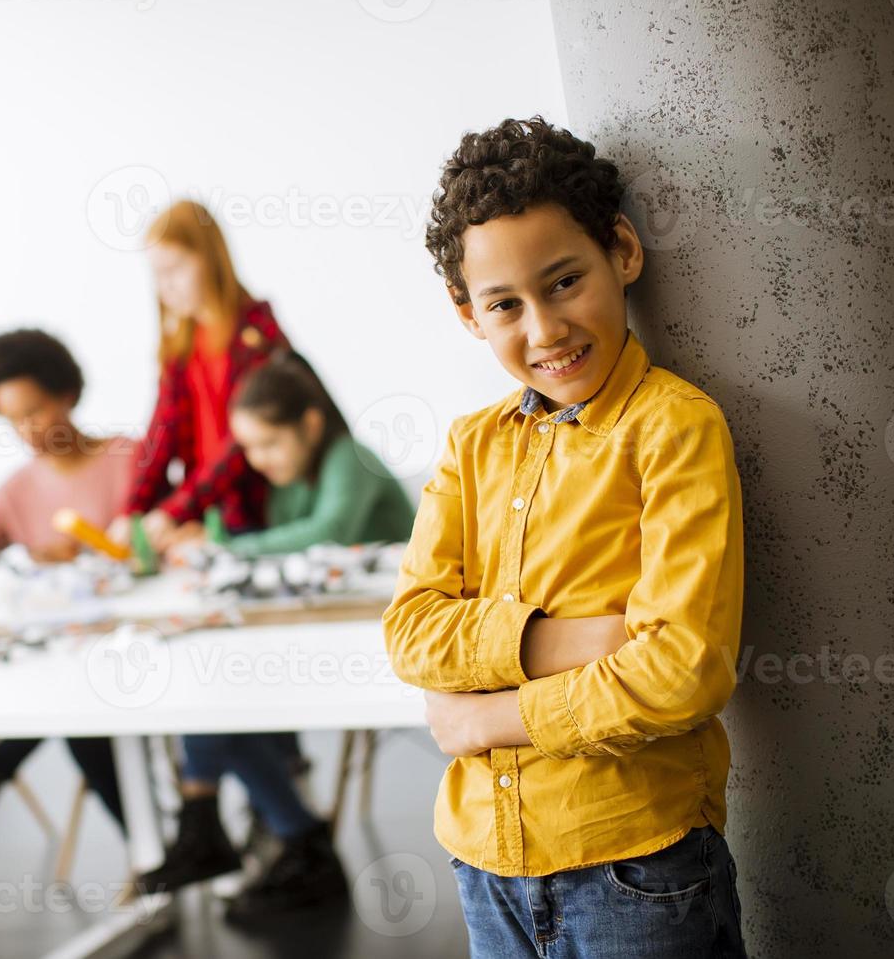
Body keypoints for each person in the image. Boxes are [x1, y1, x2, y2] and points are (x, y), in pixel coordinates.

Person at [383, 116, 747, 956]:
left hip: (636, 871)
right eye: (505, 304)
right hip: (482, 865)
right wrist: (567, 640)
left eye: (564, 282)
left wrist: (488, 720)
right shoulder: (472, 446)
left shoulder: (673, 428)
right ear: (467, 311)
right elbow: (409, 632)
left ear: (622, 252)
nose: (544, 330)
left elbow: (682, 671)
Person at [143, 352, 415, 923]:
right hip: (322, 635)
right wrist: (193, 535)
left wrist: (221, 551)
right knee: (219, 695)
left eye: (268, 445)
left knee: (223, 697)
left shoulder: (350, 458)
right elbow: (262, 535)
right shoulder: (285, 479)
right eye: (249, 449)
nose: (257, 462)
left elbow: (326, 534)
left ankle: (228, 825)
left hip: (390, 641)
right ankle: (286, 838)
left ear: (309, 425)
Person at [0, 329, 127, 920]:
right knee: (62, 706)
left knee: (62, 707)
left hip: (128, 654)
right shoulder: (15, 491)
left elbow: (141, 546)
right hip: (65, 666)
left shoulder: (125, 460)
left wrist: (85, 556)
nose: (28, 431)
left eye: (35, 410)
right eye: (12, 420)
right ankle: (146, 849)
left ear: (68, 393)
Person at [111, 199, 289, 554]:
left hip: (257, 513)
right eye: (157, 275)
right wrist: (132, 511)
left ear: (209, 259)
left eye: (175, 269)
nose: (166, 286)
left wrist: (174, 511)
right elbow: (161, 433)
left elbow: (242, 444)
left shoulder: (257, 335)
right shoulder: (182, 344)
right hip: (205, 512)